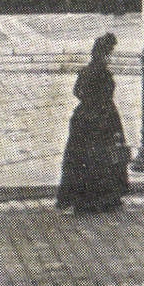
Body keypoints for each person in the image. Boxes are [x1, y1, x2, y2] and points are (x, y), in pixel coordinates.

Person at [56, 33, 130, 213]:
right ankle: (104, 198)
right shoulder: (104, 74)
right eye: (109, 54)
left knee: (81, 159)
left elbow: (77, 92)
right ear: (104, 54)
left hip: (83, 118)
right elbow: (106, 96)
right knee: (103, 157)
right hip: (102, 118)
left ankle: (81, 199)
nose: (110, 58)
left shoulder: (85, 71)